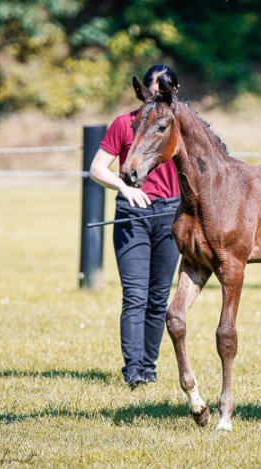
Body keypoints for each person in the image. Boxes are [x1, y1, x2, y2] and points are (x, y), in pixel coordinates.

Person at [90, 65, 181, 388]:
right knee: (135, 295)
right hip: (133, 215)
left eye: (164, 92)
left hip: (170, 216)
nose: (157, 98)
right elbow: (97, 168)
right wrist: (126, 188)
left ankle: (149, 366)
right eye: (153, 92)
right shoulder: (124, 123)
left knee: (159, 298)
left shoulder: (177, 127)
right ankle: (133, 369)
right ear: (142, 91)